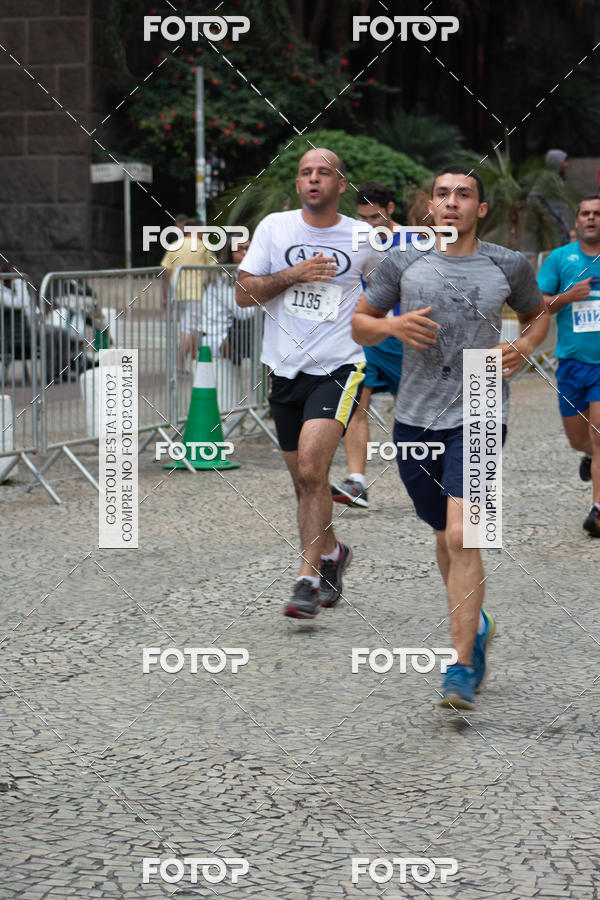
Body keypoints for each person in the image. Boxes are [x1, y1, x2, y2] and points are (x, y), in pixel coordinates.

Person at [352, 165, 549, 709]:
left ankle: (460, 666)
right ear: (430, 207)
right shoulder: (402, 261)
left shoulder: (508, 263)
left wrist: (525, 346)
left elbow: (537, 315)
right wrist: (391, 326)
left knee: (464, 535)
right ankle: (477, 624)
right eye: (443, 194)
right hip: (416, 413)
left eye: (464, 194)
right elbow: (360, 322)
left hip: (482, 400)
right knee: (443, 533)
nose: (452, 202)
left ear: (479, 209)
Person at [235, 148, 379, 618]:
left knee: (314, 469)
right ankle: (333, 552)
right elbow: (243, 294)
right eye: (305, 172)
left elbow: (388, 290)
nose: (314, 178)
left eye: (324, 172)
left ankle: (306, 579)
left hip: (339, 366)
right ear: (298, 184)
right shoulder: (275, 228)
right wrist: (293, 275)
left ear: (341, 184)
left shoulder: (363, 237)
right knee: (305, 481)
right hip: (283, 369)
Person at [331, 182, 406, 509]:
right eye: (362, 218)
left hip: (404, 336)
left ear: (390, 209)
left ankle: (430, 477)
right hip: (364, 335)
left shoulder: (414, 241)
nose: (369, 225)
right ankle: (357, 481)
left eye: (375, 218)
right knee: (357, 404)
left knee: (410, 411)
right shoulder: (355, 239)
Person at [537, 194, 600, 537]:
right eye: (585, 213)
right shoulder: (561, 258)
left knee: (598, 432)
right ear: (577, 221)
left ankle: (597, 509)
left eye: (597, 214)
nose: (591, 218)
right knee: (580, 440)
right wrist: (568, 296)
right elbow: (538, 305)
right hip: (572, 363)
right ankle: (588, 456)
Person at [200, 232, 256, 412]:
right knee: (268, 344)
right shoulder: (224, 277)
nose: (245, 253)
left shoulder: (242, 274)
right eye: (240, 249)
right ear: (229, 253)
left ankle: (266, 398)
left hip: (233, 334)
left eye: (248, 249)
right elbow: (243, 312)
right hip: (218, 337)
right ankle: (268, 399)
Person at [160, 215, 213, 369]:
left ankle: (195, 361)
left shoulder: (174, 245)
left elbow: (166, 272)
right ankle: (180, 364)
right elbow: (213, 270)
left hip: (178, 294)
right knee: (189, 329)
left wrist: (165, 297)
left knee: (190, 327)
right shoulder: (203, 247)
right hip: (197, 294)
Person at [542, 149, 572, 247]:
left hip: (562, 227)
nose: (567, 165)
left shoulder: (557, 179)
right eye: (564, 161)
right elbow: (533, 198)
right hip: (554, 229)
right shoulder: (546, 179)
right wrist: (546, 217)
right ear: (556, 162)